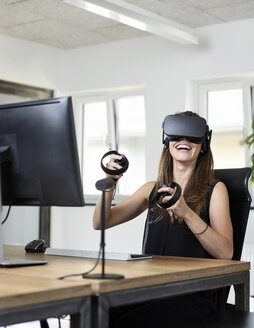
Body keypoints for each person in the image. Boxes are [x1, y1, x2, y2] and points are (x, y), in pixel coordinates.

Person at [93, 111, 233, 327]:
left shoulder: (215, 190)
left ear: (203, 144)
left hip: (194, 292)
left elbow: (226, 253)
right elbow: (101, 222)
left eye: (192, 136)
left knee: (131, 321)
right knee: (98, 312)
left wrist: (186, 212)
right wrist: (110, 181)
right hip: (153, 287)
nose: (183, 141)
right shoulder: (152, 189)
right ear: (167, 142)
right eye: (176, 136)